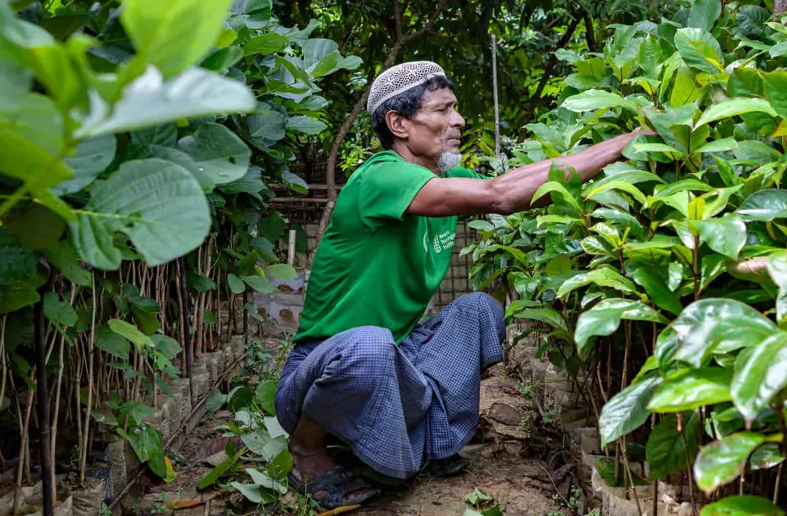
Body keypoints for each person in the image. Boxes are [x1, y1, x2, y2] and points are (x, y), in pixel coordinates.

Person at [275, 61, 651, 509]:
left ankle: (429, 442)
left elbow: (518, 182)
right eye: (443, 110)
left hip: (396, 355)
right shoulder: (380, 177)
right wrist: (624, 146)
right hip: (323, 369)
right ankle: (309, 450)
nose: (459, 121)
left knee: (478, 310)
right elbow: (501, 195)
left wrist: (625, 146)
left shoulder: (443, 180)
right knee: (369, 346)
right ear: (398, 124)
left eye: (457, 110)